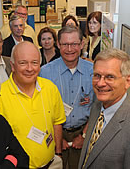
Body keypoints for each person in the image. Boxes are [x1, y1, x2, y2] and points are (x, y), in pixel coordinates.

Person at [78, 48, 130, 169]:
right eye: (97, 75)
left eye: (110, 77)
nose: (100, 83)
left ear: (128, 81)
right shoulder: (97, 105)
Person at [0, 41, 66, 168]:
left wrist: (58, 153)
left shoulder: (50, 88)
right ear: (12, 65)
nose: (29, 68)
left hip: (52, 164)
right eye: (23, 63)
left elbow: (57, 122)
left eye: (34, 62)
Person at [40, 26, 95, 169]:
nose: (70, 49)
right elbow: (40, 110)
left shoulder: (93, 72)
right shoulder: (44, 73)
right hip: (54, 135)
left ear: (82, 44)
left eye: (74, 44)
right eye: (65, 44)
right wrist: (57, 138)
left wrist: (84, 136)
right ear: (58, 44)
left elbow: (98, 107)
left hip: (83, 134)